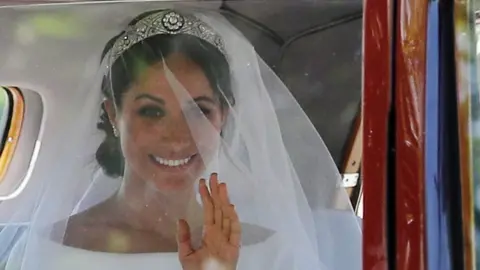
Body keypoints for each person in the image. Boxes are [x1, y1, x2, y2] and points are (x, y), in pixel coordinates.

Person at [1, 7, 360, 270]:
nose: (177, 138)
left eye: (199, 110)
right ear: (114, 115)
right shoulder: (47, 250)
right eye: (151, 111)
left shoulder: (272, 251)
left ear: (223, 117)